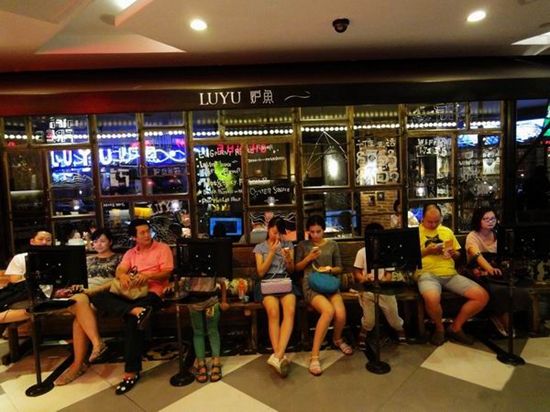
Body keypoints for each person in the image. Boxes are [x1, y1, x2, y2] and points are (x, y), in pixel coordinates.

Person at [88, 219, 173, 395]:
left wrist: (148, 276)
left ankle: (131, 372)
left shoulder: (162, 248)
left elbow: (167, 271)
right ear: (134, 237)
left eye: (148, 231)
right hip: (130, 294)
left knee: (132, 321)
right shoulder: (130, 253)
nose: (147, 235)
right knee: (97, 296)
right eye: (142, 233)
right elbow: (121, 269)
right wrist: (123, 276)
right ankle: (134, 310)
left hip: (154, 293)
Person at [54, 229, 122, 385]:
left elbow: (118, 280)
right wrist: (75, 287)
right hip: (84, 296)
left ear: (110, 242)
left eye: (102, 241)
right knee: (80, 302)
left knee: (79, 319)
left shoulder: (119, 258)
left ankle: (77, 365)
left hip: (104, 296)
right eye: (95, 241)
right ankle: (97, 343)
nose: (98, 244)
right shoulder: (87, 260)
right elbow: (77, 279)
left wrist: (92, 291)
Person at [416, 204, 489, 346]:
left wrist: (454, 254)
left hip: (450, 274)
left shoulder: (447, 231)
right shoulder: (415, 233)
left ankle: (456, 327)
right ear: (422, 218)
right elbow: (409, 258)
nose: (433, 224)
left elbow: (458, 255)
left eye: (436, 221)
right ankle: (439, 329)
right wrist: (428, 251)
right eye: (430, 222)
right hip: (426, 273)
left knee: (482, 296)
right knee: (432, 298)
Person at [295, 215, 352, 376]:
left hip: (329, 283)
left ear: (324, 230)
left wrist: (329, 269)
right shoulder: (303, 245)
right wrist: (309, 258)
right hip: (311, 284)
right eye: (312, 232)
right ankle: (314, 356)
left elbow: (339, 268)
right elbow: (296, 268)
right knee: (328, 311)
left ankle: (337, 339)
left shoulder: (332, 245)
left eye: (318, 231)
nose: (315, 235)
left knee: (341, 314)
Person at [465, 207, 531, 337]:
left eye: (492, 219)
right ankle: (501, 319)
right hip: (478, 271)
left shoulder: (498, 234)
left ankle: (524, 323)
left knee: (520, 285)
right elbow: (476, 255)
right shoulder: (472, 236)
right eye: (485, 219)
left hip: (498, 272)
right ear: (478, 220)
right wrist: (489, 269)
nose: (490, 221)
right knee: (497, 290)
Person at [253, 217, 296, 377]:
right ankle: (280, 355)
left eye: (280, 233)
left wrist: (288, 259)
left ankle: (277, 355)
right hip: (267, 283)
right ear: (268, 229)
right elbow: (260, 272)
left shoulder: (288, 245)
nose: (277, 237)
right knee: (273, 312)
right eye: (274, 232)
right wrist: (271, 252)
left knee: (290, 311)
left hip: (284, 282)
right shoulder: (259, 248)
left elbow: (291, 271)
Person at [353, 223, 405, 349]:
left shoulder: (387, 252)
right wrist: (364, 278)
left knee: (393, 316)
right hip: (368, 288)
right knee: (369, 320)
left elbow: (389, 274)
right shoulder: (362, 252)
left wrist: (383, 281)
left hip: (384, 289)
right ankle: (364, 331)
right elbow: (357, 272)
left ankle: (399, 329)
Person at [0, 229, 52, 324]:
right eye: (41, 239)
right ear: (32, 241)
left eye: (48, 240)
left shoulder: (54, 259)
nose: (44, 242)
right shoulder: (20, 258)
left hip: (45, 297)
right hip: (26, 295)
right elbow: (15, 281)